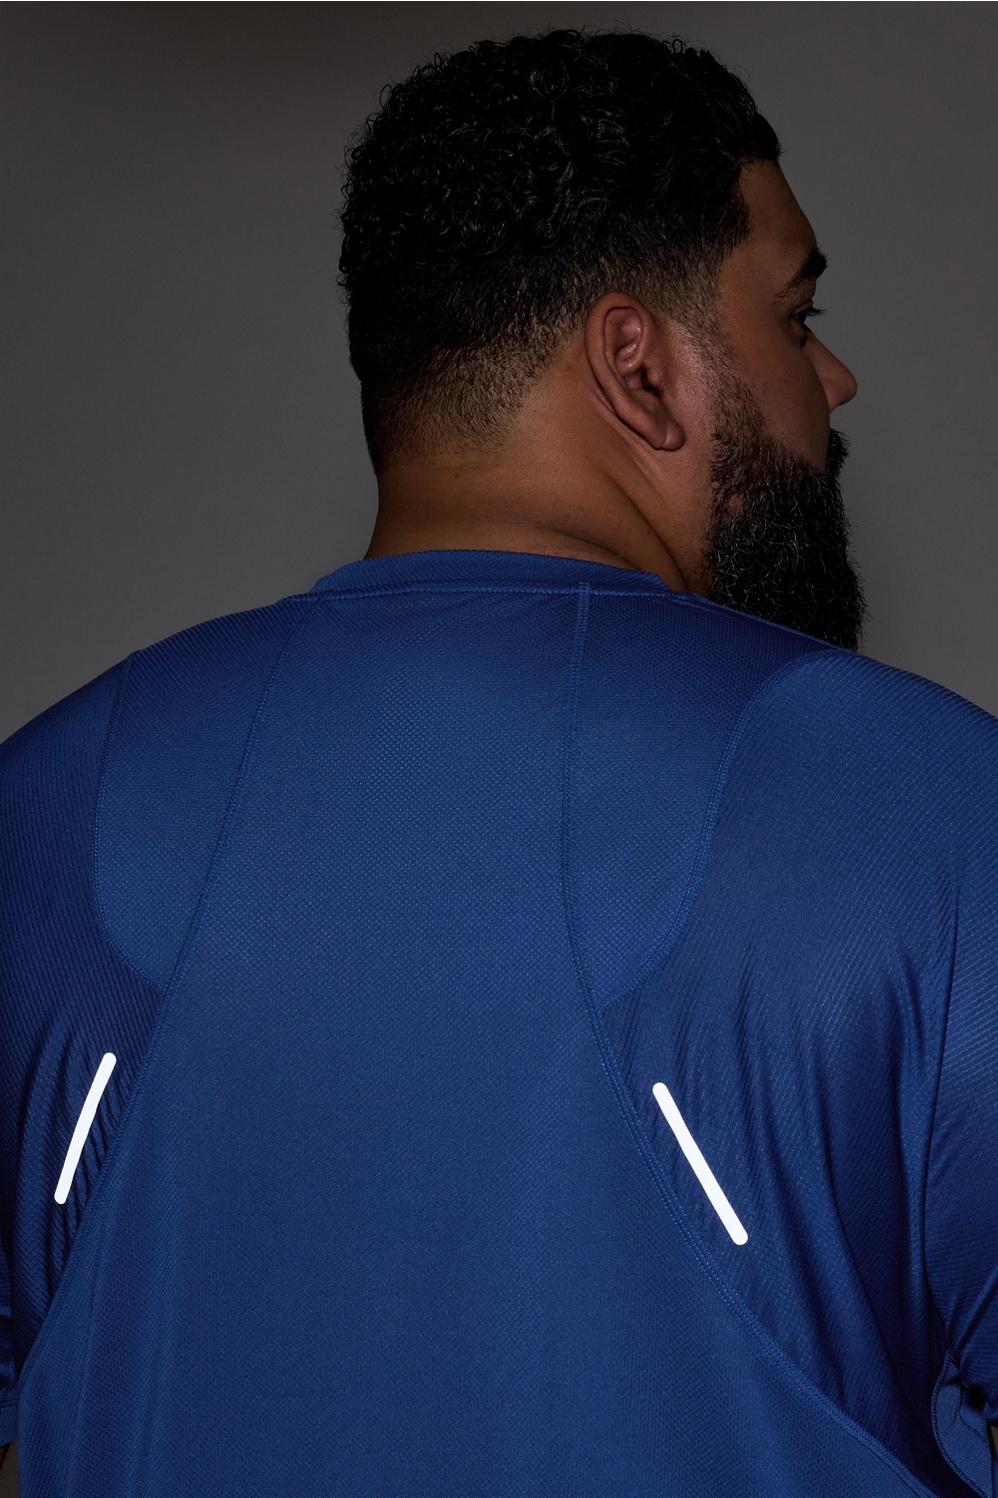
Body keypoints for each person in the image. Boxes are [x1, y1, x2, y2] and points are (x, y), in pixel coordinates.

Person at [1, 27, 996, 1497]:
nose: (833, 379)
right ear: (638, 369)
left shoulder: (46, 810)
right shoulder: (935, 808)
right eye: (796, 317)